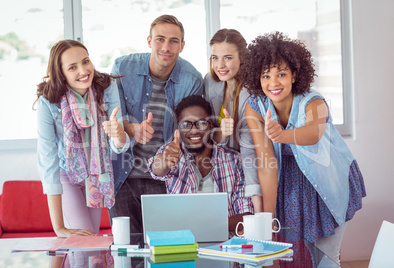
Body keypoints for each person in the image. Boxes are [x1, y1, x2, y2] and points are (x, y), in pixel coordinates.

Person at [242, 32, 366, 263]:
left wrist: (282, 134)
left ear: (294, 74)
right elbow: (267, 164)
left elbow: (313, 134)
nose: (273, 83)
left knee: (326, 258)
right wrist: (267, 220)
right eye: (266, 75)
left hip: (326, 181)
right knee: (292, 256)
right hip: (286, 185)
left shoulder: (314, 100)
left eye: (281, 74)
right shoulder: (255, 107)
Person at [110, 14, 204, 233]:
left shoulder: (192, 79)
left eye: (173, 41)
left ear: (182, 45)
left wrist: (177, 147)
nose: (166, 47)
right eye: (160, 39)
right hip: (122, 176)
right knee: (128, 252)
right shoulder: (123, 67)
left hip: (163, 178)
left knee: (165, 251)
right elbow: (112, 120)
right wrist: (132, 129)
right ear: (149, 41)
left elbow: (190, 131)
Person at [34, 40, 129, 238]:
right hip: (66, 174)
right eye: (72, 67)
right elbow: (48, 160)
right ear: (61, 73)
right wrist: (59, 227)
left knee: (90, 243)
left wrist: (118, 134)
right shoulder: (48, 101)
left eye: (86, 61)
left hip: (96, 175)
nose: (83, 70)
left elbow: (118, 146)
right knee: (82, 243)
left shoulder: (106, 88)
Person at [147, 95, 254, 232]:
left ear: (210, 125)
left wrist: (208, 226)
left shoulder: (234, 160)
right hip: (182, 243)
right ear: (178, 128)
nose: (194, 130)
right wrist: (164, 161)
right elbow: (157, 170)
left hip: (225, 246)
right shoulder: (172, 152)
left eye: (201, 123)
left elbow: (247, 214)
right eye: (186, 124)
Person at [204, 28, 262, 212]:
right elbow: (209, 131)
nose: (219, 65)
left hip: (251, 170)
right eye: (215, 57)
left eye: (227, 58)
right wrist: (221, 133)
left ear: (242, 59)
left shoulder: (252, 92)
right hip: (222, 170)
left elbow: (249, 152)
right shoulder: (210, 82)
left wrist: (260, 208)